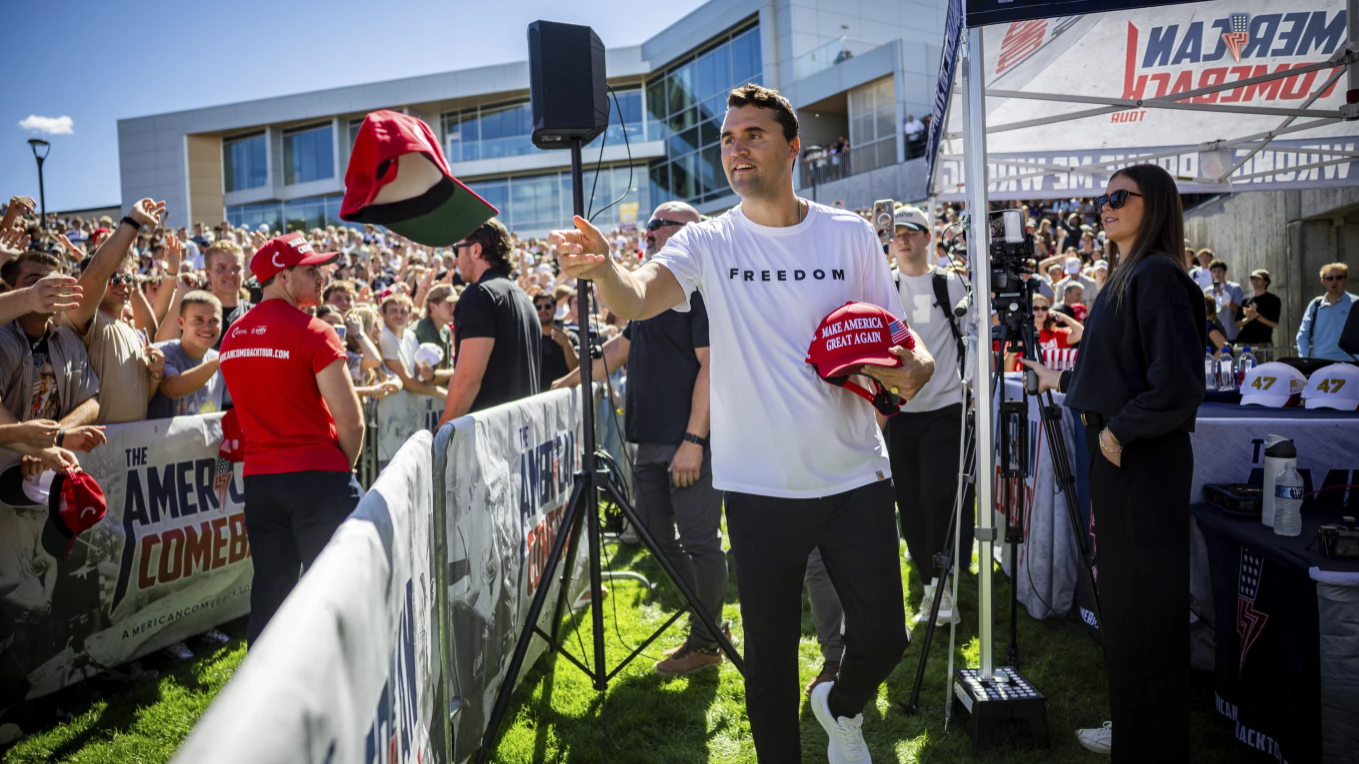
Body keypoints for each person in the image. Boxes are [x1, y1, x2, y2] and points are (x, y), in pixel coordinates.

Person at [549, 83, 934, 763]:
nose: (736, 148)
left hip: (855, 474)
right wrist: (606, 270)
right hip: (759, 487)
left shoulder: (848, 233)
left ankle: (840, 705)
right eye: (728, 138)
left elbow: (902, 338)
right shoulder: (708, 240)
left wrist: (917, 366)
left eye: (753, 134)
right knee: (770, 660)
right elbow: (637, 298)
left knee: (885, 637)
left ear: (793, 147)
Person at [1022, 163, 1206, 761]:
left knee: (1146, 613)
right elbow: (1116, 373)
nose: (1106, 205)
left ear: (1155, 205)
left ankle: (1150, 743)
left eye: (1120, 196)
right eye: (1103, 197)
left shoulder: (1158, 276)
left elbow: (1176, 386)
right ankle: (1134, 730)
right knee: (1128, 610)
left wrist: (1118, 433)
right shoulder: (1131, 274)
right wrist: (1059, 379)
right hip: (1122, 463)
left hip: (1142, 466)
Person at [553, 201, 730, 676]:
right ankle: (710, 625)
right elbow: (619, 348)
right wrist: (564, 384)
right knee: (654, 535)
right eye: (648, 225)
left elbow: (712, 367)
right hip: (649, 440)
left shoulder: (701, 290)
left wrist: (694, 439)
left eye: (658, 225)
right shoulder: (653, 289)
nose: (648, 232)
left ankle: (707, 639)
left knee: (700, 541)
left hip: (687, 441)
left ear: (690, 231)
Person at [218, 234, 366, 646]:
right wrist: (341, 469)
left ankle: (262, 683)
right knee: (338, 592)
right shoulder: (314, 331)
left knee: (271, 595)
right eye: (311, 269)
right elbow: (352, 423)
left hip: (261, 483)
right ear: (282, 276)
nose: (321, 277)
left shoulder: (232, 336)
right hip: (318, 478)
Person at [61, 201, 168, 424]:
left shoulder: (134, 331)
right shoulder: (89, 321)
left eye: (128, 278)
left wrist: (156, 376)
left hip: (136, 440)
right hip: (97, 442)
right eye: (114, 277)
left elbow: (141, 400)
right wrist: (132, 222)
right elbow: (97, 275)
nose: (122, 284)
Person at [439, 218, 541, 425]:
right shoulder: (525, 299)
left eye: (457, 250)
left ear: (475, 250)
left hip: (491, 435)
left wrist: (442, 432)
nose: (455, 260)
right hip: (523, 433)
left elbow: (468, 378)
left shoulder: (478, 295)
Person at [149, 291, 226, 419]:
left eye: (214, 320)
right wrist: (221, 359)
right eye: (198, 320)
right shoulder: (162, 352)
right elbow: (173, 388)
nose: (207, 327)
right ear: (181, 322)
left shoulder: (220, 359)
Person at [1297, 263, 1357, 361]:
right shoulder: (1315, 305)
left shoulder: (1356, 303)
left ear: (1346, 280)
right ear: (1323, 281)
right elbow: (1303, 335)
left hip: (1350, 363)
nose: (1334, 281)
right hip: (1320, 363)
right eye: (1330, 278)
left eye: (1339, 277)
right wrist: (1305, 360)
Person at [202, 240, 251, 352]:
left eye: (236, 268)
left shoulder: (255, 313)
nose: (230, 273)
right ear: (208, 274)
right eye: (221, 268)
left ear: (243, 274)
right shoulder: (196, 315)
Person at [412, 284, 455, 385]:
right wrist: (459, 371)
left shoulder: (446, 330)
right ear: (433, 307)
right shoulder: (423, 330)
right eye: (449, 305)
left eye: (455, 305)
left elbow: (446, 369)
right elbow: (428, 377)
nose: (453, 309)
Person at [534, 291, 578, 392]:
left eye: (547, 306)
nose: (543, 310)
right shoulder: (529, 338)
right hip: (537, 396)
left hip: (565, 394)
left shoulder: (570, 337)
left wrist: (567, 345)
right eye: (539, 307)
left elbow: (576, 369)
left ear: (555, 308)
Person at [1205, 260, 1244, 341]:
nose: (1217, 274)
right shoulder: (1207, 291)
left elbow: (1240, 312)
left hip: (1231, 333)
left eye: (1219, 271)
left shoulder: (1235, 288)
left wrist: (1228, 301)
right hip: (1213, 334)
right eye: (1214, 271)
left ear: (1225, 272)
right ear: (1211, 273)